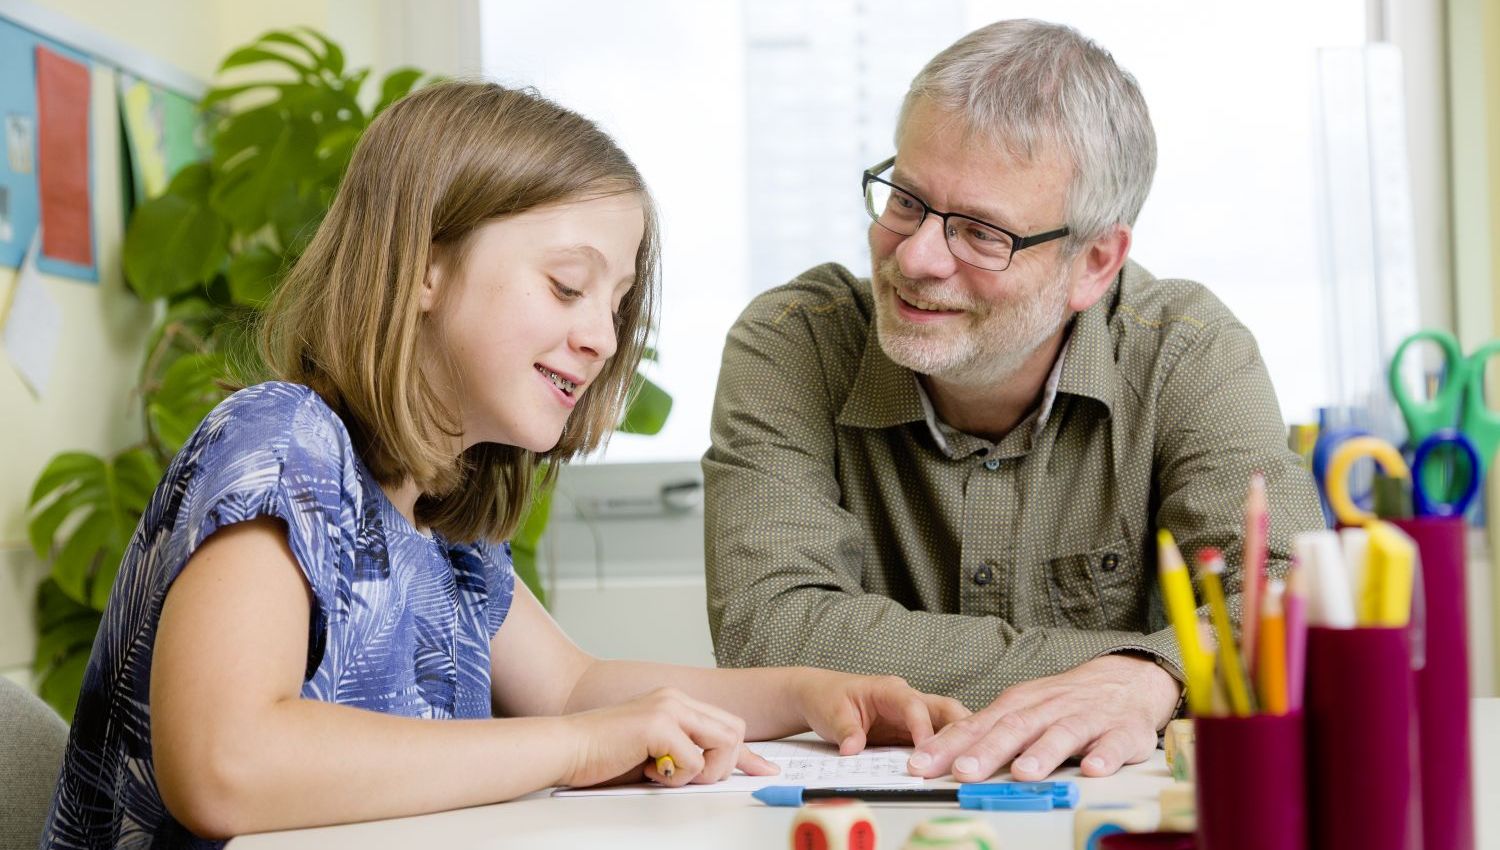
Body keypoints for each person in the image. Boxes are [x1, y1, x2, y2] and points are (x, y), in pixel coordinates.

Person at [40, 81, 967, 849]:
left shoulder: (443, 517)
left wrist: (813, 695)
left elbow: (571, 686)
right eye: (568, 285)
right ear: (422, 269)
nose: (602, 337)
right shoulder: (282, 449)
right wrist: (571, 748)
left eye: (616, 302)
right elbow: (226, 766)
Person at [703, 19, 1325, 785]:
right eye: (905, 200)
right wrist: (1150, 665)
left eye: (981, 233)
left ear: (1094, 262)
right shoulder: (793, 342)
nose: (916, 258)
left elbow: (1291, 604)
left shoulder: (1187, 352)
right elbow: (771, 630)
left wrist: (1148, 680)